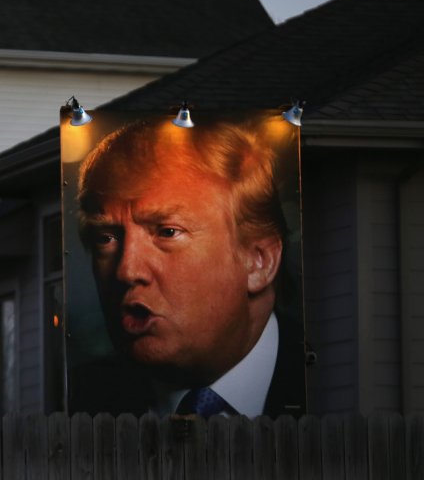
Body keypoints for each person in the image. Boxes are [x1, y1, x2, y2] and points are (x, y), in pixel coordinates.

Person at [69, 115, 305, 418]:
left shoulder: (330, 378)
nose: (126, 271)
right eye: (106, 238)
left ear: (260, 261)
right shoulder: (79, 403)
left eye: (167, 232)